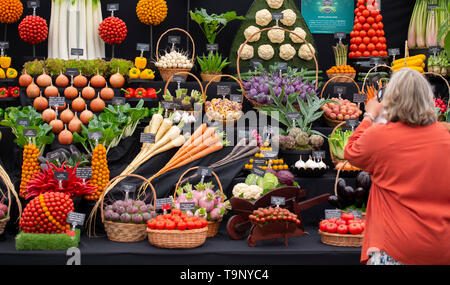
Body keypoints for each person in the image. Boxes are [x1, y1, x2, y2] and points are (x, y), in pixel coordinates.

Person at [344, 68, 450, 265]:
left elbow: (351, 151)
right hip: (442, 248)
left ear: (390, 99)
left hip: (396, 248)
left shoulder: (381, 136)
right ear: (428, 98)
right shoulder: (445, 137)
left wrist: (369, 116)